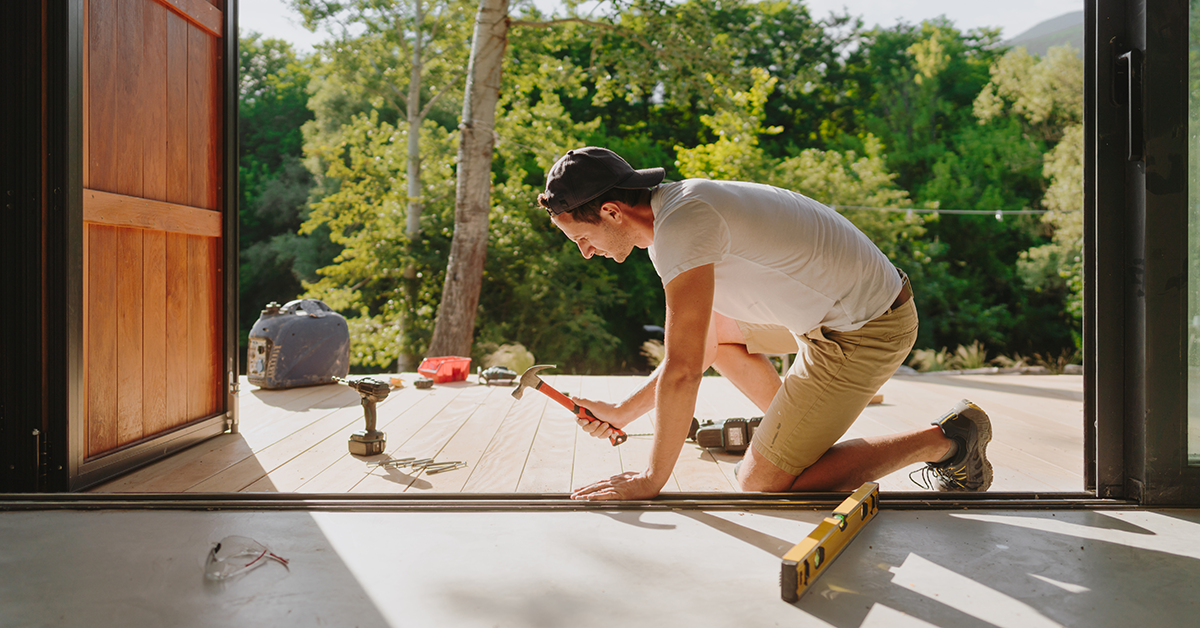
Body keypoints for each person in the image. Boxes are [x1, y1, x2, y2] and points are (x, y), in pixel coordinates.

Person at [537, 146, 994, 501]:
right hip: (838, 309)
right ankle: (794, 433)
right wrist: (620, 413)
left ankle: (949, 440)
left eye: (582, 237)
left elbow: (683, 369)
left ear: (613, 211)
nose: (585, 251)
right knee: (728, 347)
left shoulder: (683, 228)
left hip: (866, 328)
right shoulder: (675, 213)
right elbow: (708, 345)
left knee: (761, 484)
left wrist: (651, 478)